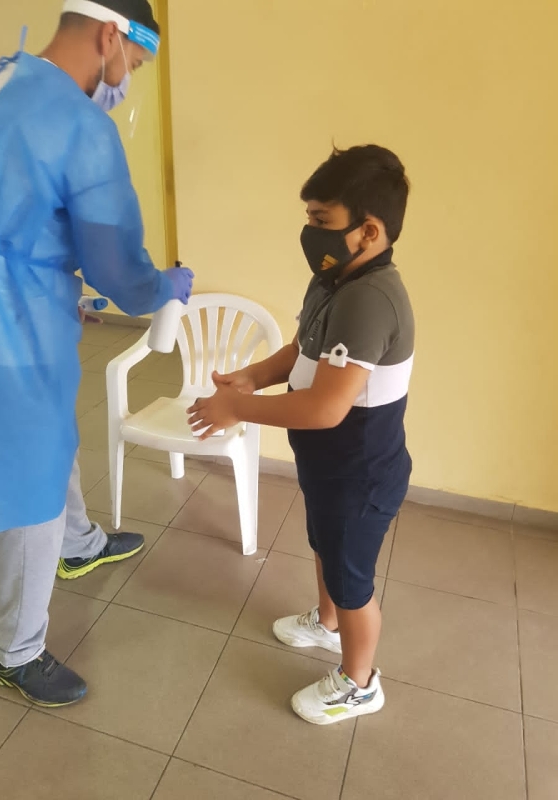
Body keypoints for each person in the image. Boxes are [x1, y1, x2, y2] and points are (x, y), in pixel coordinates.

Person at [0, 0, 194, 708]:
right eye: (136, 64)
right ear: (111, 36)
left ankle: (80, 543)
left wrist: (56, 282)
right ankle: (16, 651)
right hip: (1, 327)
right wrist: (163, 287)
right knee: (31, 472)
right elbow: (119, 266)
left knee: (49, 438)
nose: (127, 81)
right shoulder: (80, 125)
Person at [188, 145, 414, 726]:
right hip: (329, 464)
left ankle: (359, 683)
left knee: (352, 579)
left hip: (361, 471)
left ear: (368, 231)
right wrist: (252, 377)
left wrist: (237, 407)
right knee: (324, 545)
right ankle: (327, 622)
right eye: (308, 217)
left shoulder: (370, 299)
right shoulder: (333, 281)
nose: (309, 232)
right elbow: (300, 350)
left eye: (321, 220)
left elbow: (326, 408)